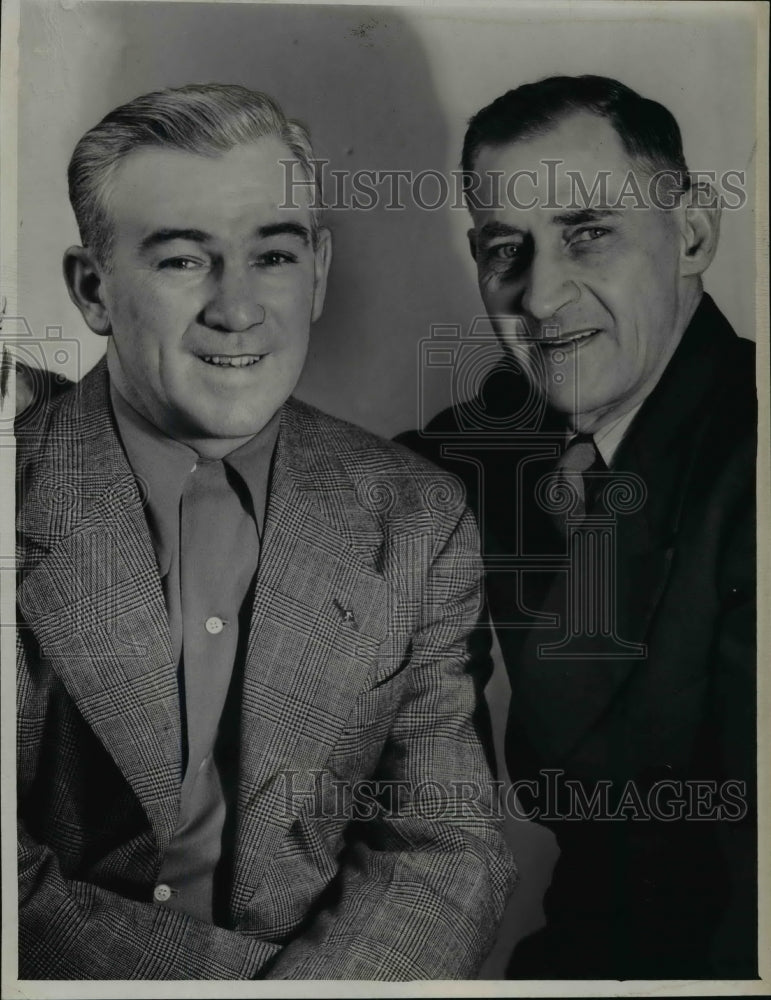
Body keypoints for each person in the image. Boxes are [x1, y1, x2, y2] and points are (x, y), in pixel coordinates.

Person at [14, 83, 516, 980]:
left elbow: (444, 848)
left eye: (273, 256)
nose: (238, 308)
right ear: (92, 289)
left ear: (318, 271)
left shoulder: (416, 516)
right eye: (180, 262)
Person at [401, 75, 757, 978]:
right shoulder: (507, 445)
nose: (540, 296)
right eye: (503, 249)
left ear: (691, 233)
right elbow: (367, 481)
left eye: (587, 233)